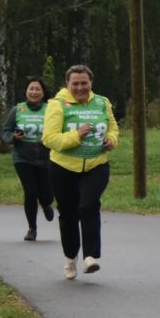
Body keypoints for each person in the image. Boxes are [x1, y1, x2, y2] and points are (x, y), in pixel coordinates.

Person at [42, 65, 119, 280]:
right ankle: (69, 258)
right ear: (68, 84)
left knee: (89, 205)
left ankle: (91, 256)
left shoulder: (102, 102)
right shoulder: (58, 105)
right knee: (68, 214)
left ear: (91, 83)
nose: (80, 87)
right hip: (63, 168)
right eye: (75, 84)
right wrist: (76, 135)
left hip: (96, 165)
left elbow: (113, 127)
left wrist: (111, 140)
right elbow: (49, 138)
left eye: (84, 83)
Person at [0, 78, 56, 239]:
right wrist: (14, 137)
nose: (34, 92)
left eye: (37, 89)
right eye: (31, 89)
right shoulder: (18, 109)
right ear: (26, 91)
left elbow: (60, 128)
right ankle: (32, 228)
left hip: (46, 156)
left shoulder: (50, 109)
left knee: (46, 193)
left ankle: (46, 203)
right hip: (23, 157)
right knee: (30, 192)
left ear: (43, 92)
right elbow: (6, 131)